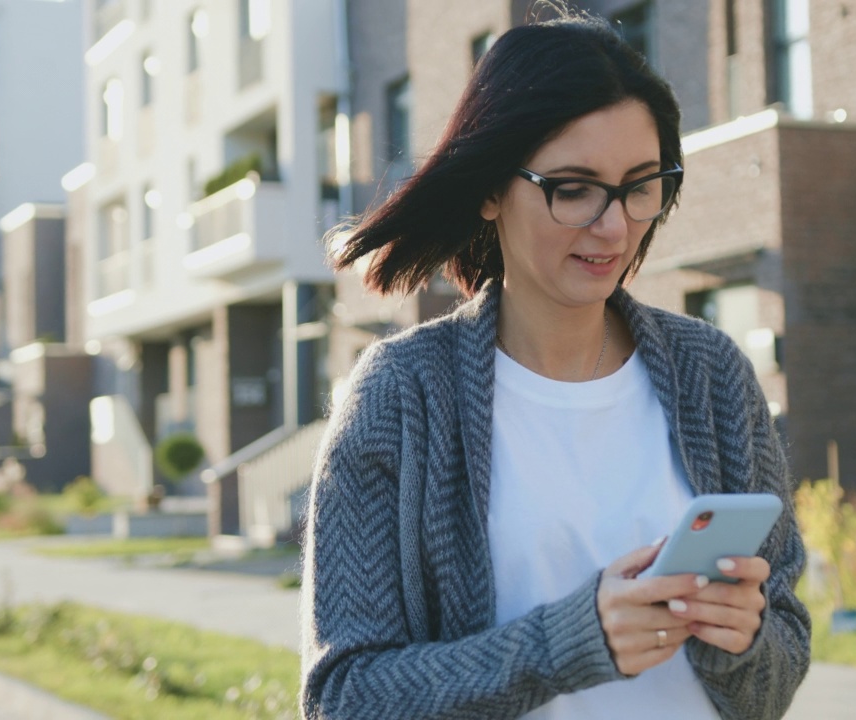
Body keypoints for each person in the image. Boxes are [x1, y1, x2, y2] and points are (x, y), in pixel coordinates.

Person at [300, 9, 810, 720]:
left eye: (640, 184)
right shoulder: (403, 395)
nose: (614, 225)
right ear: (489, 188)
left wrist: (744, 640)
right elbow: (346, 698)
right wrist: (571, 640)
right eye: (573, 187)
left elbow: (779, 660)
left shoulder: (712, 373)